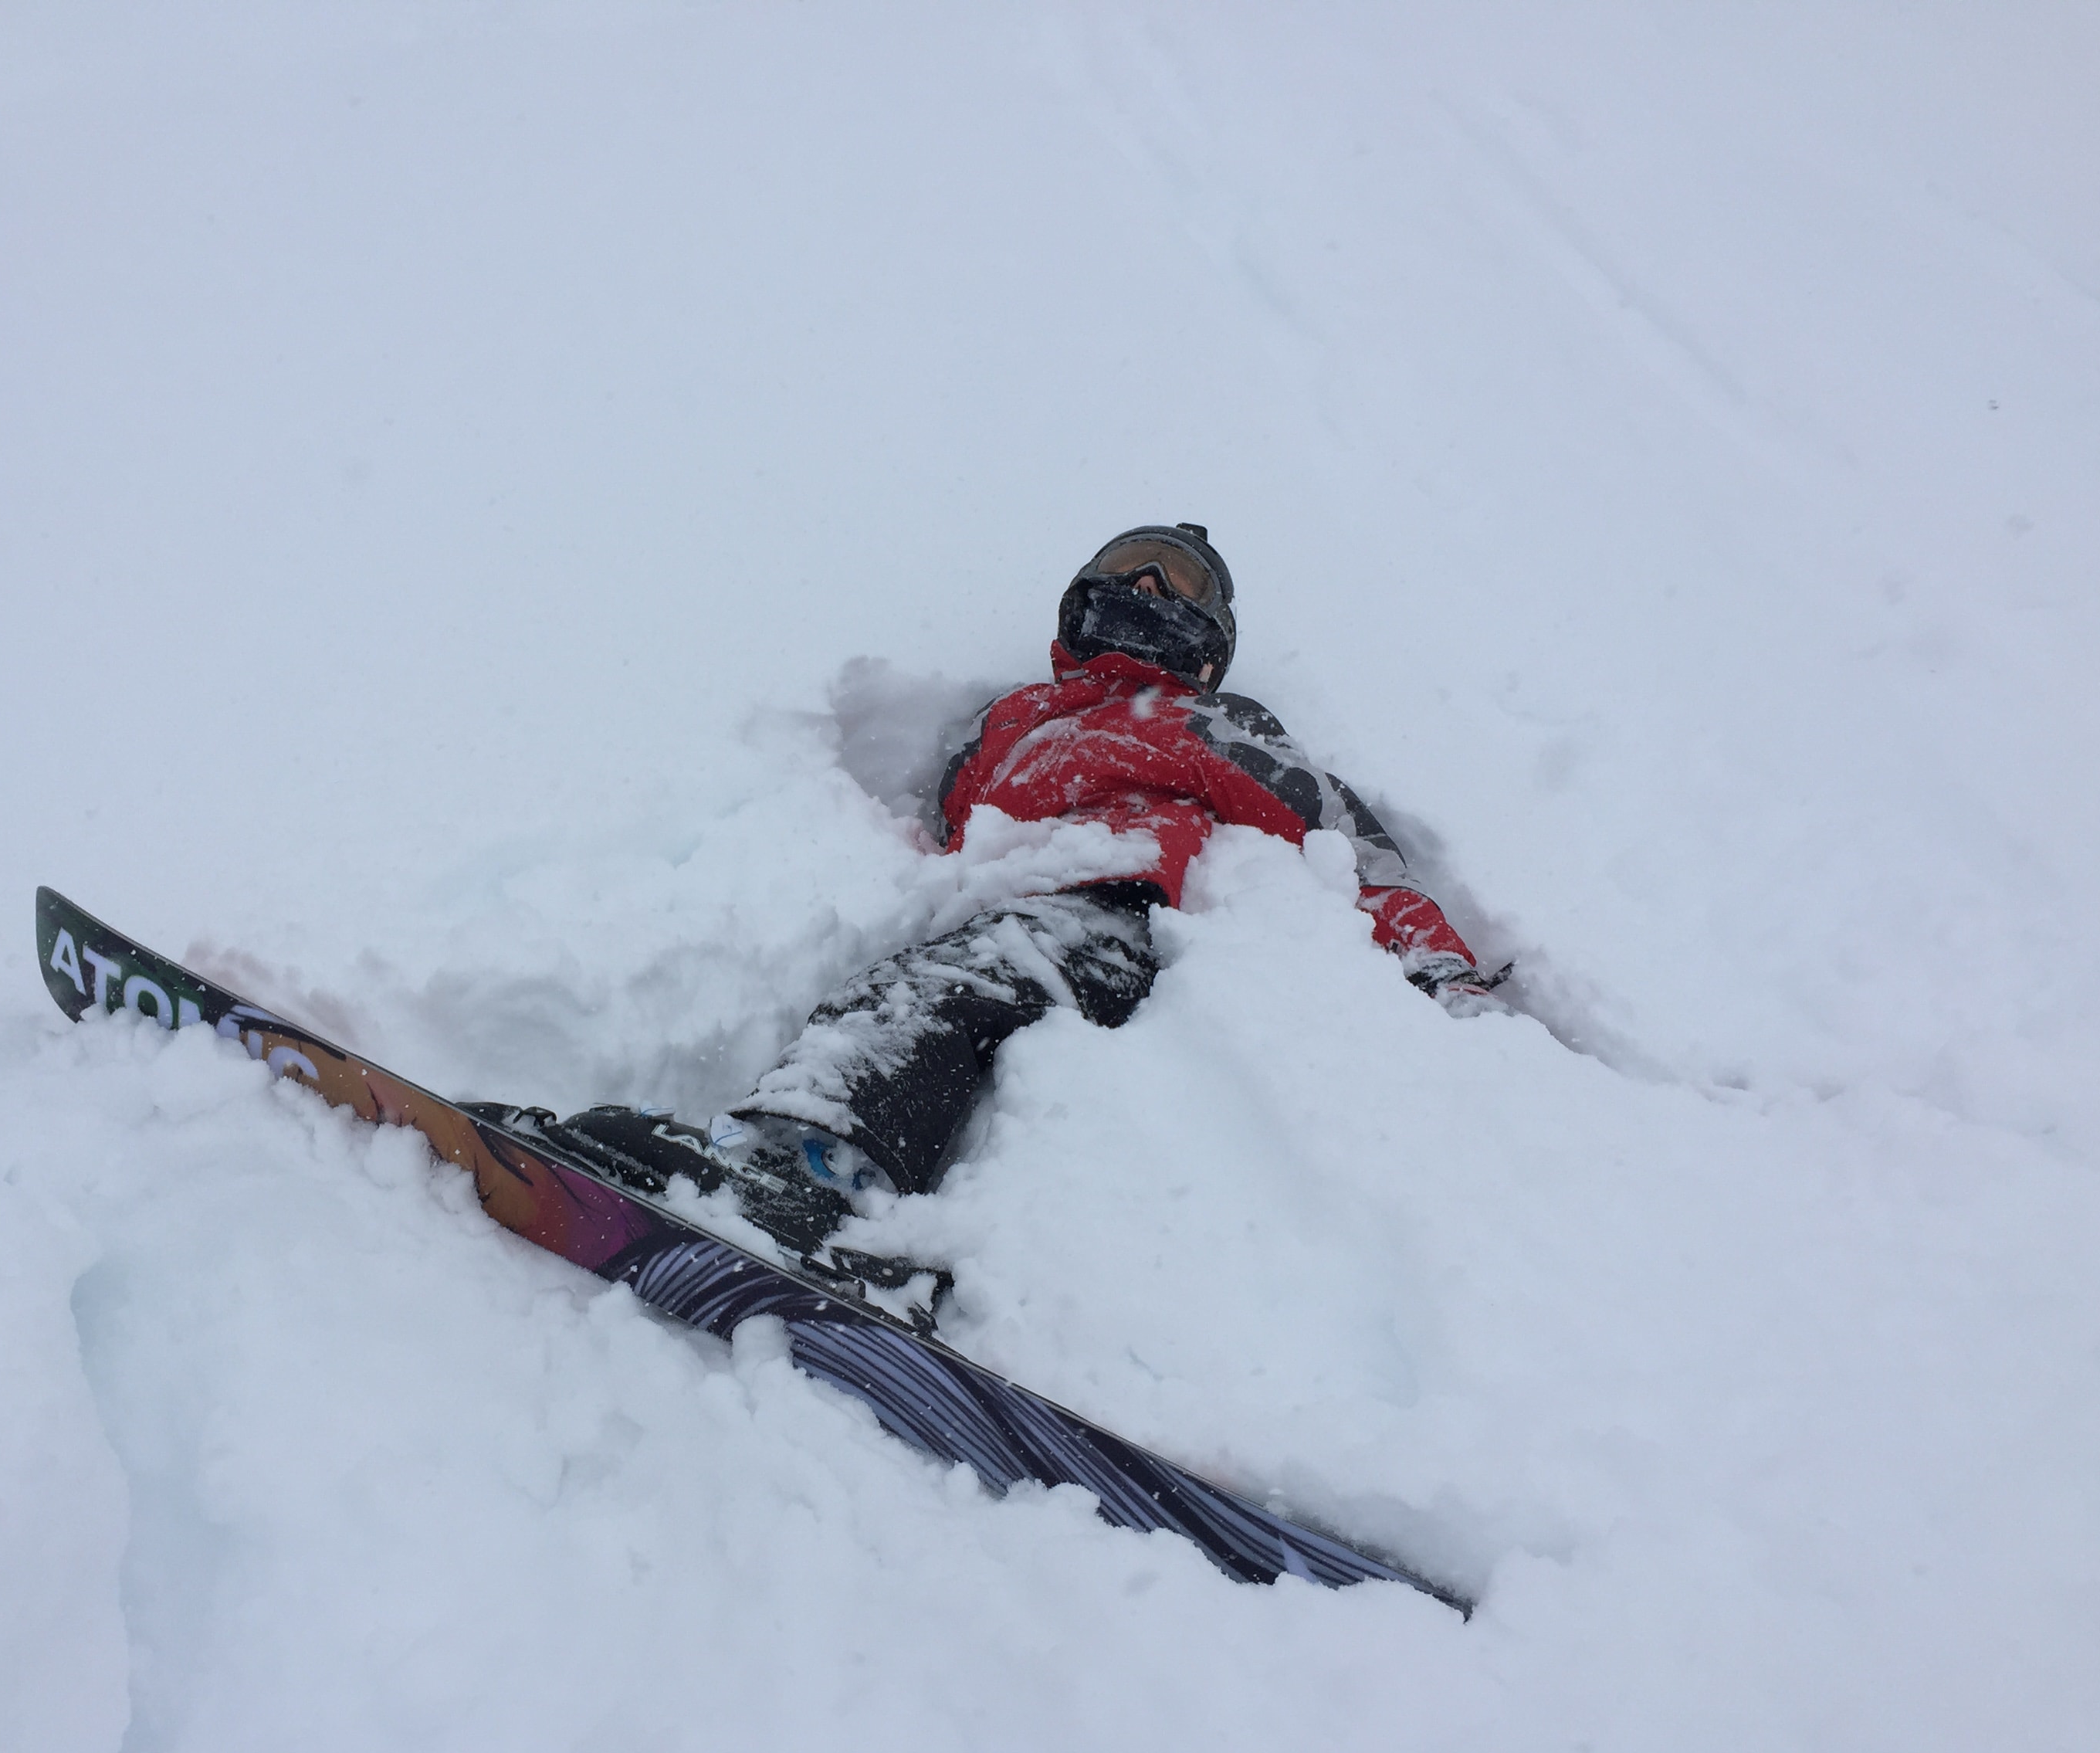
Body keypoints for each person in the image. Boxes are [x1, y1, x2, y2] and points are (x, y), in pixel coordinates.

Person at [537, 524, 1503, 1308]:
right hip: (1006, 908)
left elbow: (1351, 852)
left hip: (1120, 904)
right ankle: (850, 1201)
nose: (1154, 588)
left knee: (942, 996)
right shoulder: (1012, 719)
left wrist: (1442, 975)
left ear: (1209, 650)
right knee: (908, 996)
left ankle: (803, 1174)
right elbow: (960, 820)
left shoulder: (1220, 725)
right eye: (1131, 570)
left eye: (1181, 585)